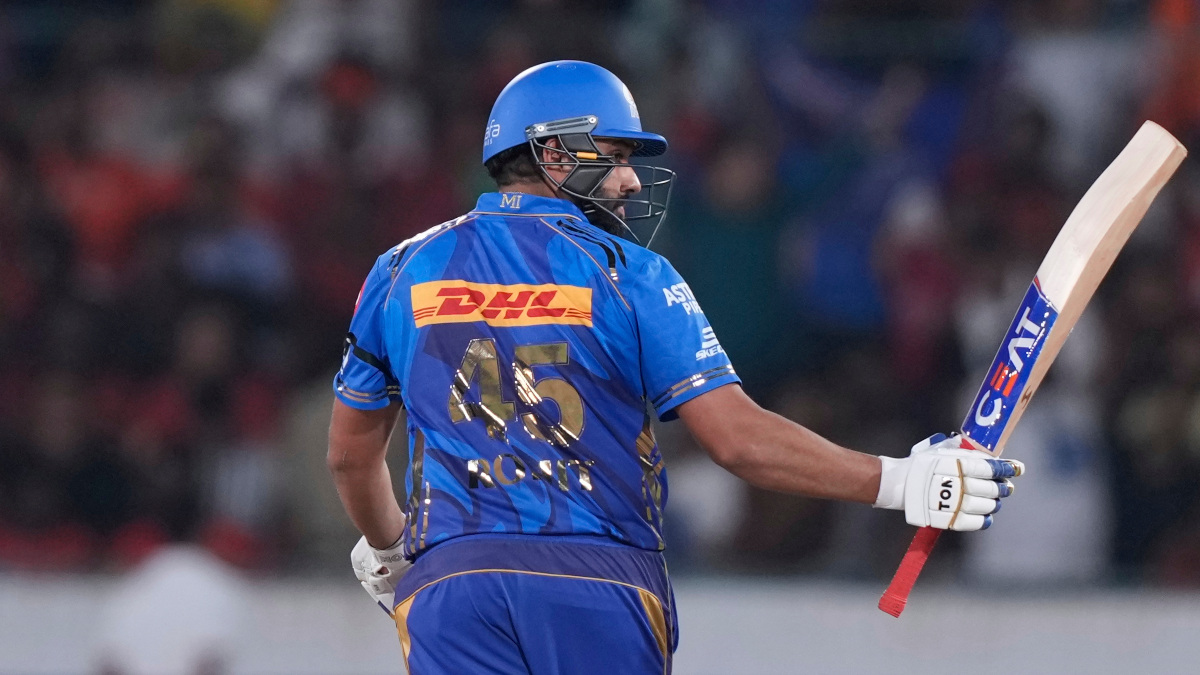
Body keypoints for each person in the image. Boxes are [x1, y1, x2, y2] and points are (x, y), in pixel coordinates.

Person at [327, 60, 1024, 674]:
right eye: (617, 153)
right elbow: (737, 440)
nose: (631, 179)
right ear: (554, 152)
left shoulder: (399, 270)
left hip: (453, 584)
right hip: (596, 579)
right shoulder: (633, 274)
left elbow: (350, 458)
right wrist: (898, 480)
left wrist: (392, 549)